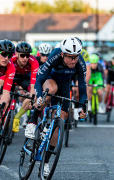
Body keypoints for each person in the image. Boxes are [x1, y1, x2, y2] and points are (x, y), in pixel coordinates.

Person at [26, 37, 87, 176]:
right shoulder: (55, 56)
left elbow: (83, 87)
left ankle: (46, 162)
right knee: (52, 89)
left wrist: (83, 107)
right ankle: (32, 119)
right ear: (62, 54)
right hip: (49, 80)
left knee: (61, 121)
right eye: (70, 57)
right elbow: (39, 79)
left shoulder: (80, 63)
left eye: (76, 57)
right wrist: (40, 96)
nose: (73, 61)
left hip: (65, 85)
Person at [0, 42, 38, 133]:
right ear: (17, 54)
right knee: (5, 96)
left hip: (25, 78)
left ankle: (17, 117)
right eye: (22, 55)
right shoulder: (11, 59)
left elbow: (33, 84)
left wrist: (32, 96)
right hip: (11, 77)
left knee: (34, 94)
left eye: (27, 55)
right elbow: (2, 78)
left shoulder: (33, 62)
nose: (25, 58)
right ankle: (2, 117)